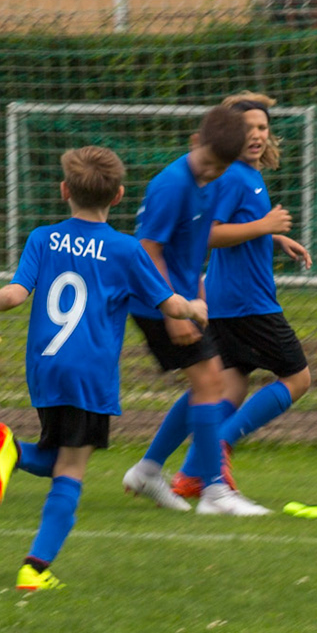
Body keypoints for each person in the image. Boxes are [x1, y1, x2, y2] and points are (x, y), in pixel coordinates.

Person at [0, 146, 208, 592]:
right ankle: (34, 567)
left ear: (64, 191)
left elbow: (15, 295)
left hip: (45, 368)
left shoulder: (42, 238)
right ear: (118, 196)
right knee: (71, 470)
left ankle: (14, 456)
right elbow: (169, 304)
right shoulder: (126, 250)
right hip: (89, 374)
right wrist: (195, 308)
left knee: (61, 455)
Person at [116, 101, 271, 516]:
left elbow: (193, 247)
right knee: (210, 383)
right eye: (207, 164)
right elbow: (148, 252)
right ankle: (213, 492)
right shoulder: (171, 185)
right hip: (155, 302)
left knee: (209, 384)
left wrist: (198, 292)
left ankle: (149, 472)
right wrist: (173, 311)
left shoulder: (214, 182)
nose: (210, 173)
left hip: (182, 299)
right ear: (194, 141)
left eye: (220, 168)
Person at [156, 93, 314, 500]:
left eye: (262, 127)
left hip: (227, 301)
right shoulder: (235, 177)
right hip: (248, 303)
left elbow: (238, 227)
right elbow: (209, 233)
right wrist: (264, 226)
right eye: (247, 129)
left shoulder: (245, 176)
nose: (257, 135)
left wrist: (273, 237)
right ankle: (219, 447)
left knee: (226, 387)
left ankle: (180, 473)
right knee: (298, 378)